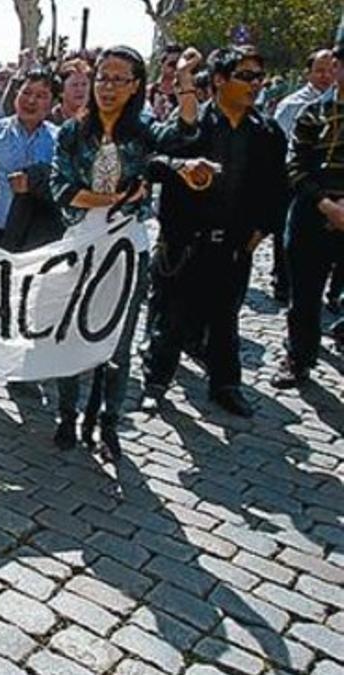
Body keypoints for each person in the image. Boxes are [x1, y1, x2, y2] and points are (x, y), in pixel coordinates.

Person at [50, 44, 202, 458]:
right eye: (103, 77)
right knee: (70, 335)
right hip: (80, 247)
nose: (108, 87)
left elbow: (186, 135)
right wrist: (114, 199)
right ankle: (67, 415)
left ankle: (108, 423)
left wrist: (185, 80)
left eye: (119, 79)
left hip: (126, 249)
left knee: (116, 345)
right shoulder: (71, 132)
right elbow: (61, 189)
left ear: (135, 86)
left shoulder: (143, 132)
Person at [141, 46, 288, 418]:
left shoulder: (266, 132)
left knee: (225, 321)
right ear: (220, 80)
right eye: (246, 76)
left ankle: (226, 385)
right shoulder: (193, 122)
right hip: (185, 243)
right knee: (170, 320)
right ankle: (156, 383)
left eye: (259, 77)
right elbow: (153, 162)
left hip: (234, 246)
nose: (255, 84)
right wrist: (183, 166)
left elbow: (276, 191)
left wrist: (257, 236)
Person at [272, 19, 344, 390]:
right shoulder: (311, 113)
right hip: (312, 215)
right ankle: (298, 358)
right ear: (336, 67)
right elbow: (295, 166)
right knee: (304, 297)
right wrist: (328, 206)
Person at [273, 48, 340, 306]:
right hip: (297, 185)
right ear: (308, 73)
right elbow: (281, 148)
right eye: (319, 70)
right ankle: (283, 280)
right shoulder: (295, 106)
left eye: (329, 69)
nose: (326, 76)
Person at [0, 67, 60, 250]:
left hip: (41, 242)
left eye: (41, 96)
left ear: (52, 103)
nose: (31, 100)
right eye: (26, 92)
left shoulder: (61, 142)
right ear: (16, 94)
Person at [147, 44, 183, 121]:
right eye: (172, 64)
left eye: (179, 64)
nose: (176, 68)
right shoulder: (149, 91)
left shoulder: (185, 91)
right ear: (162, 64)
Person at [51, 58, 91, 124]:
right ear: (61, 91)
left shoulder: (96, 122)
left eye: (84, 84)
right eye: (74, 85)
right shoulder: (48, 120)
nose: (80, 89)